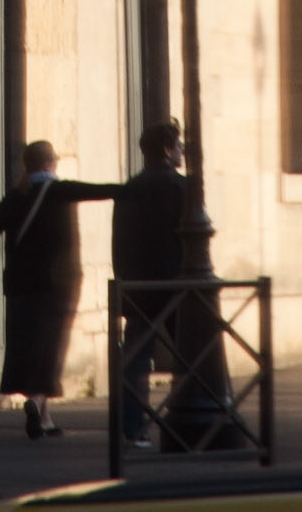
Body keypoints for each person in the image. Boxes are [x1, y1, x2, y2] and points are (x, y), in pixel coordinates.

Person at [0, 139, 123, 438]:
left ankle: (45, 417)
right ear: (48, 163)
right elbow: (102, 190)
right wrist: (134, 189)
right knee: (49, 348)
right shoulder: (59, 190)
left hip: (18, 285)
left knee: (26, 345)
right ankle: (36, 401)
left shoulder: (16, 196)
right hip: (55, 285)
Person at [111, 120, 186, 446]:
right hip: (175, 285)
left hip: (138, 286)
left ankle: (132, 428)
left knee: (136, 361)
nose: (182, 151)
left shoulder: (130, 188)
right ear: (168, 150)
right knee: (191, 356)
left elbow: (119, 242)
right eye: (179, 146)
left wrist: (124, 279)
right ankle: (187, 421)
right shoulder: (182, 188)